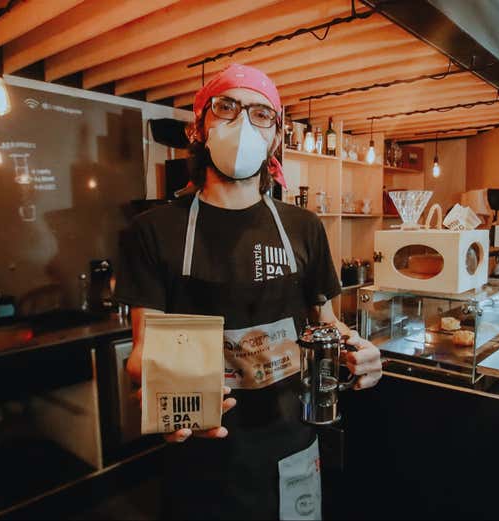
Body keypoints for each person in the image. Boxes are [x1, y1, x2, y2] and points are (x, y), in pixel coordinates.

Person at [115, 64, 382, 520]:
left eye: (261, 114)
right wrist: (160, 396)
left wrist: (359, 352)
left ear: (276, 137)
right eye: (226, 107)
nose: (243, 124)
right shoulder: (152, 231)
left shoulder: (303, 226)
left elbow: (328, 323)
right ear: (198, 128)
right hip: (201, 447)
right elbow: (145, 348)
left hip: (292, 440)